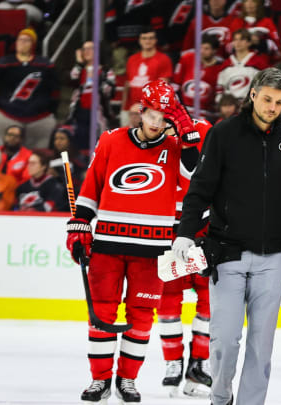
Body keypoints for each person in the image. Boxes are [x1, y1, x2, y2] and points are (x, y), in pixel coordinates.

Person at [65, 79, 201, 404]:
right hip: (108, 246)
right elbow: (93, 185)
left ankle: (127, 380)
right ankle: (100, 380)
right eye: (152, 114)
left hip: (153, 250)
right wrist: (81, 223)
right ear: (142, 111)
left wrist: (189, 134)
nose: (157, 123)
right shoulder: (112, 140)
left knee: (141, 317)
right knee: (102, 314)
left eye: (164, 117)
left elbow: (193, 175)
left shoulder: (175, 148)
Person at [172, 68, 281, 405]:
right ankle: (220, 397)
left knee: (261, 345)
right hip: (226, 254)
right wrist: (185, 234)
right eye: (268, 99)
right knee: (224, 341)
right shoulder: (223, 133)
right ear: (253, 94)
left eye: (280, 102)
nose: (273, 107)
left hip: (273, 257)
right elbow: (200, 189)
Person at [159, 117, 215, 398]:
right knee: (168, 299)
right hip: (168, 228)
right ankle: (173, 362)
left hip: (204, 226)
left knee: (209, 299)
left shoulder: (204, 130)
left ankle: (199, 363)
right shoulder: (154, 134)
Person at [0, 27, 59, 149]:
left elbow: (54, 90)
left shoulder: (45, 64)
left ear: (32, 44)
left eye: (26, 40)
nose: (22, 43)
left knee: (39, 155)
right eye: (20, 40)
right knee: (7, 151)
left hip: (39, 118)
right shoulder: (4, 62)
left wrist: (51, 111)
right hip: (7, 115)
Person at [69, 41, 117, 150]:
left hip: (98, 114)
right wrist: (79, 63)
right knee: (80, 145)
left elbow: (109, 91)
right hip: (80, 113)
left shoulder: (105, 71)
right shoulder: (80, 69)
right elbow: (72, 80)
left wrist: (97, 80)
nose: (87, 51)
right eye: (84, 49)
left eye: (90, 48)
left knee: (99, 145)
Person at [120, 28, 174, 126]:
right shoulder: (132, 59)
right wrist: (124, 109)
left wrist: (145, 107)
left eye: (150, 38)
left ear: (155, 40)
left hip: (152, 110)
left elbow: (162, 89)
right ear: (140, 41)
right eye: (144, 38)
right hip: (132, 109)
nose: (147, 41)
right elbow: (127, 85)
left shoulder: (163, 59)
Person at [173, 33, 225, 119]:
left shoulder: (220, 68)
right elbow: (176, 84)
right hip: (185, 109)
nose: (202, 51)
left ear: (215, 50)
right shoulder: (187, 59)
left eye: (206, 48)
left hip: (207, 113)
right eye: (200, 48)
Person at [216, 28, 270, 102]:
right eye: (235, 40)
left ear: (249, 42)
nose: (238, 43)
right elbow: (220, 87)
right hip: (229, 107)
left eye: (241, 39)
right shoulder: (226, 63)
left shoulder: (259, 62)